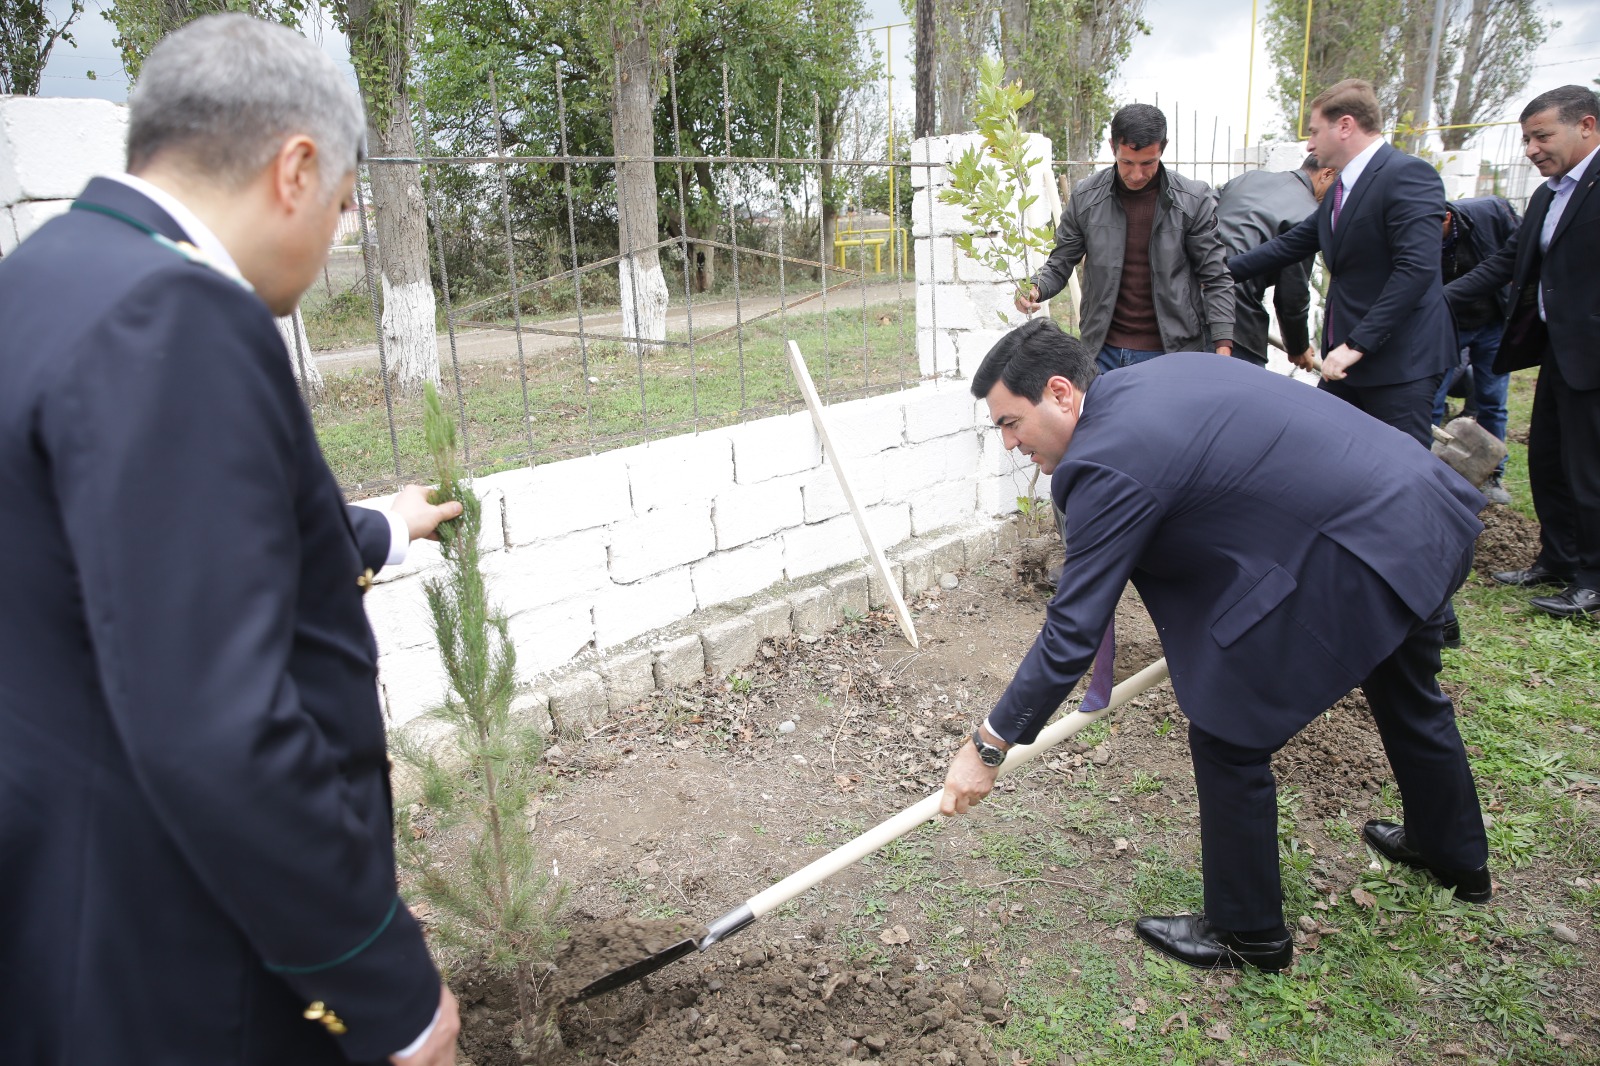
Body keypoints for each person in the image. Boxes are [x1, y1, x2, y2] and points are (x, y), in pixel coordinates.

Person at [0, 15, 462, 1065]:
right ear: (296, 167)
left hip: (56, 927)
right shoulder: (176, 316)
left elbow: (125, 566)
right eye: (346, 205)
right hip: (175, 960)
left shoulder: (42, 285)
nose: (339, 232)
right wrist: (380, 981)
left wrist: (378, 526)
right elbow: (214, 723)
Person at [940, 320, 1491, 973]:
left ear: (1060, 392)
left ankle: (1246, 933)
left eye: (1011, 422)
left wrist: (989, 745)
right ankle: (1454, 854)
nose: (1008, 444)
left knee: (1228, 736)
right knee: (1407, 690)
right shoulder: (1148, 381)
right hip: (1418, 509)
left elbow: (1071, 634)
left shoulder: (1107, 459)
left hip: (1362, 545)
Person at [1227, 79, 1457, 447]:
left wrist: (1356, 345)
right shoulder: (1341, 187)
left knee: (1402, 468)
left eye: (1316, 131)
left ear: (1345, 126)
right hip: (1348, 359)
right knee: (1331, 455)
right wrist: (1218, 274)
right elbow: (1293, 244)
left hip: (1398, 361)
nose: (1309, 144)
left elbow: (1416, 270)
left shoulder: (1408, 176)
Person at [1446, 85, 1600, 619]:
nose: (1531, 149)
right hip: (1560, 349)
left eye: (1542, 136)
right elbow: (1503, 264)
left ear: (1587, 126)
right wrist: (1431, 302)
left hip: (1594, 351)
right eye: (1527, 139)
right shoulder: (1547, 195)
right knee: (1549, 458)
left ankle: (1593, 577)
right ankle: (1557, 559)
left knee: (1589, 466)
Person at [1015, 103, 1235, 373]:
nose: (1136, 174)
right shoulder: (1086, 197)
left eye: (1148, 163)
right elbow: (1061, 260)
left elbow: (1215, 276)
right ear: (1112, 147)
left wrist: (1223, 349)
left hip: (1173, 353)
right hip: (1101, 351)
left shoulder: (1192, 201)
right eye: (1126, 162)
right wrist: (1036, 286)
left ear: (1162, 149)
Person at [1214, 154, 1336, 370]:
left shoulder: (1248, 178)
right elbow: (1291, 296)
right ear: (1327, 174)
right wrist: (1298, 347)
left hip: (1183, 300)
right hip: (1236, 317)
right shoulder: (1308, 215)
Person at [1436, 195, 1520, 506]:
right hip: (1450, 325)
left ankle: (1492, 474)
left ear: (1446, 218)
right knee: (1431, 395)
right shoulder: (1417, 233)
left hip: (1493, 323)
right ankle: (1429, 472)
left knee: (1493, 400)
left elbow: (1521, 248)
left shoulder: (1490, 212)